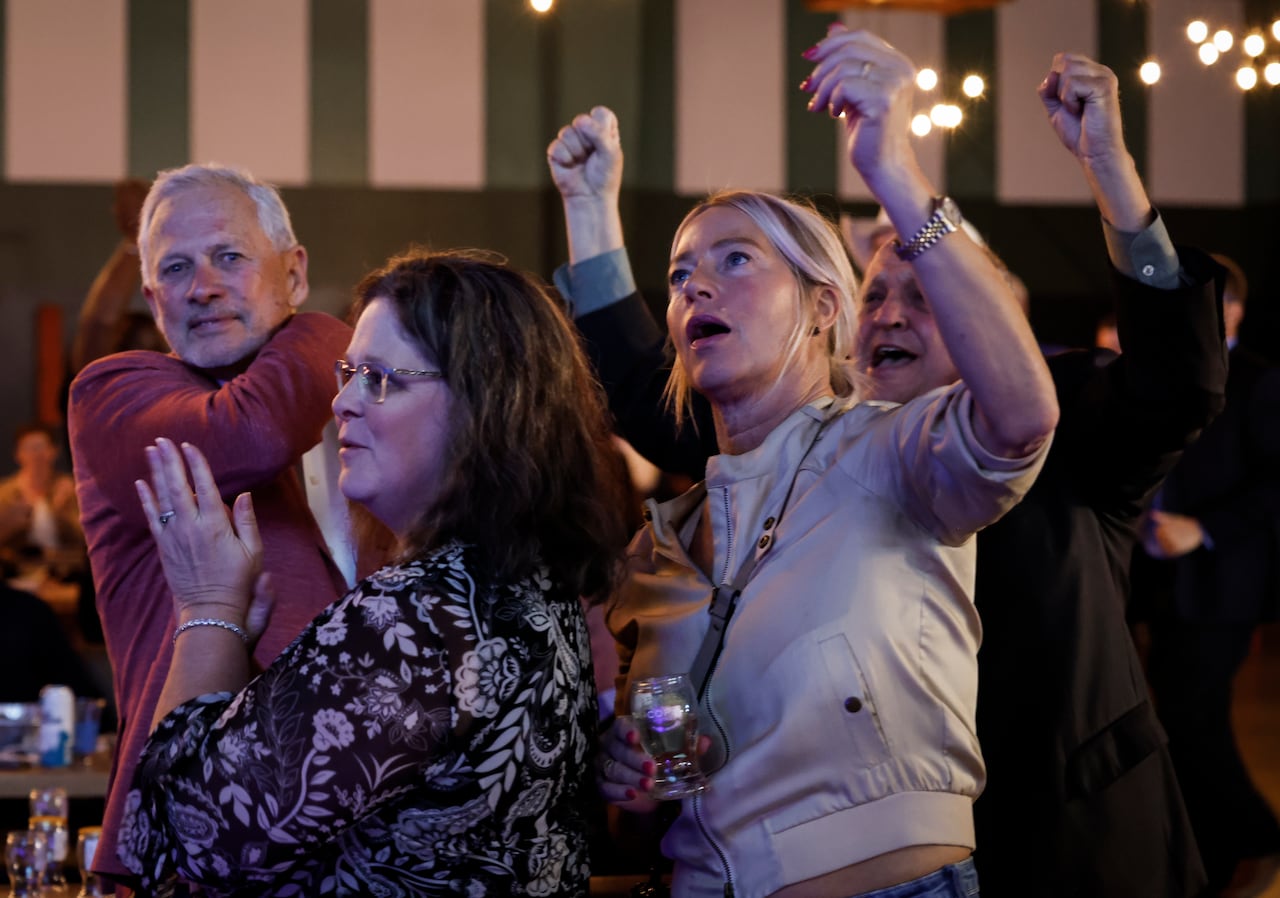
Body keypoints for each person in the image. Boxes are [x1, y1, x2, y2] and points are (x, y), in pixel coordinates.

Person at [550, 43, 1223, 898]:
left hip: (1059, 832)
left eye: (927, 292)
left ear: (993, 316)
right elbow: (662, 385)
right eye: (874, 294)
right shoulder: (787, 457)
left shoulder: (1052, 420)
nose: (892, 312)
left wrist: (1111, 173)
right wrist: (590, 212)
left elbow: (1176, 381)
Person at [118, 249, 628, 896]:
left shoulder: (413, 622)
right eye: (348, 372)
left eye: (381, 379)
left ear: (486, 407)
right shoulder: (527, 589)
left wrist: (206, 605)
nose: (343, 404)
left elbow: (177, 841)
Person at [67, 164, 355, 892]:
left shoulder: (364, 426)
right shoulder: (115, 395)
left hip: (342, 845)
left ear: (293, 269)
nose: (203, 285)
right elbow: (253, 433)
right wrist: (324, 326)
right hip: (183, 846)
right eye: (176, 267)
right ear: (153, 300)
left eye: (229, 256)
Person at [1132, 253, 1280, 897]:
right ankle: (1218, 854)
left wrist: (1203, 528)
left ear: (1234, 312)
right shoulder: (1165, 375)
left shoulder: (1262, 382)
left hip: (1223, 584)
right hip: (1159, 579)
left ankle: (1254, 841)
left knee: (1192, 722)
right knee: (1184, 720)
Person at [0, 422, 85, 570]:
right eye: (28, 448)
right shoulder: (5, 493)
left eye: (40, 447)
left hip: (66, 572)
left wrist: (62, 512)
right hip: (18, 573)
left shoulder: (72, 488)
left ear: (54, 451)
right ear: (17, 454)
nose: (35, 455)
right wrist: (9, 523)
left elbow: (86, 539)